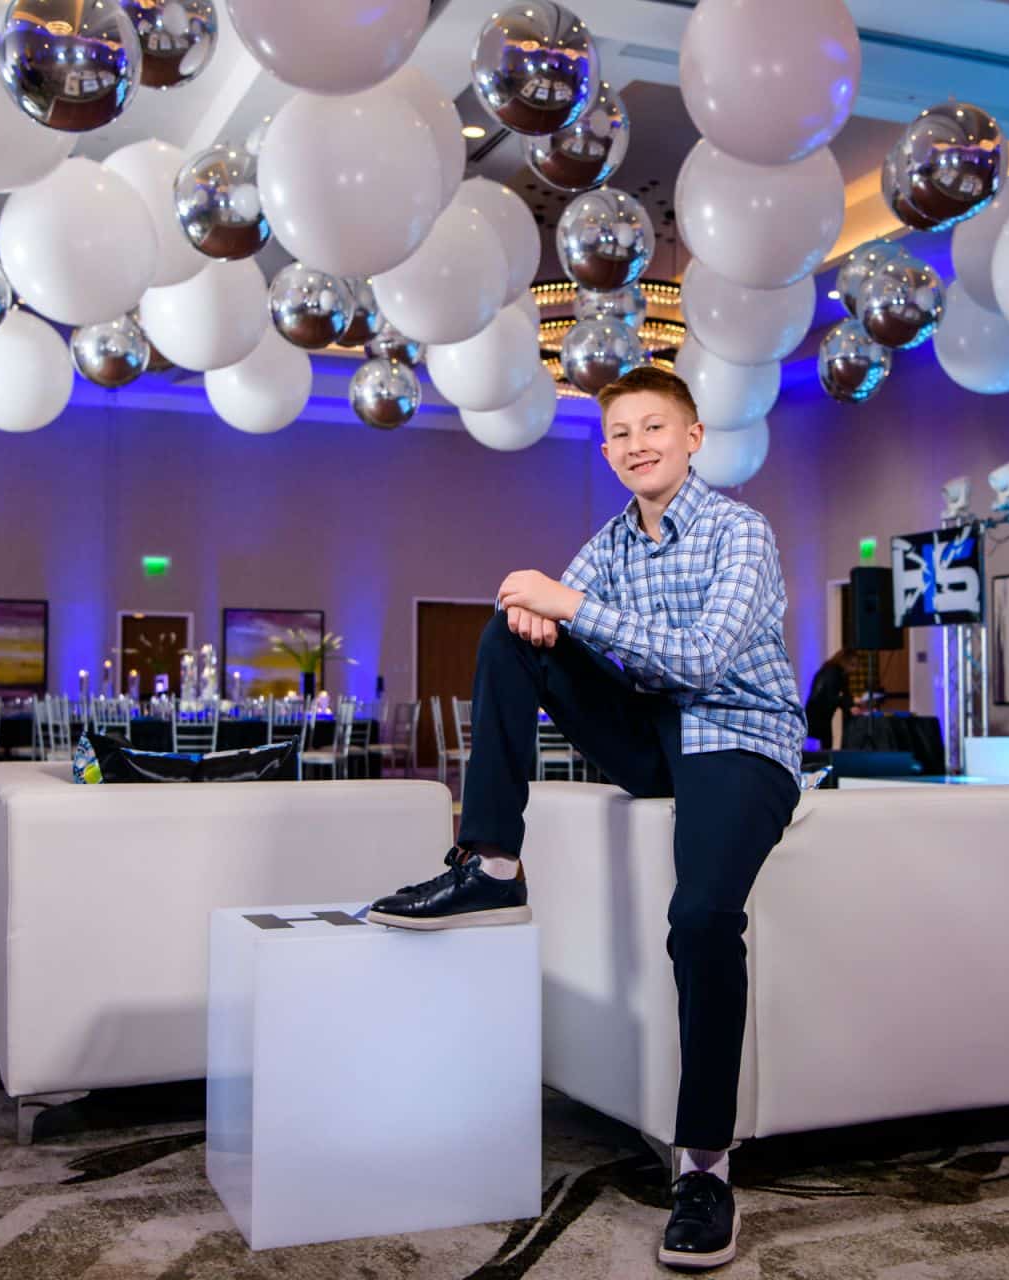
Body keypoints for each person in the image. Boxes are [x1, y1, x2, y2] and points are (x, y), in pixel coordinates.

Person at [368, 365, 805, 1271]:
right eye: (620, 434)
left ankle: (704, 1168)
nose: (638, 445)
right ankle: (491, 863)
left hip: (738, 739)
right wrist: (534, 611)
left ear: (694, 437)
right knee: (506, 630)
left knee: (702, 918)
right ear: (606, 454)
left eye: (655, 427)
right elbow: (552, 618)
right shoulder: (608, 545)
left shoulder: (741, 532)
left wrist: (562, 604)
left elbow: (699, 659)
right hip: (651, 740)